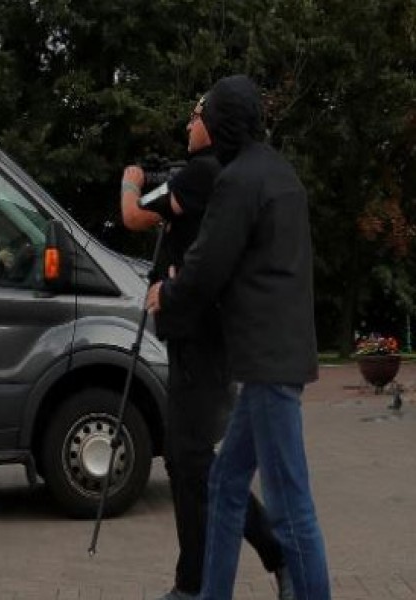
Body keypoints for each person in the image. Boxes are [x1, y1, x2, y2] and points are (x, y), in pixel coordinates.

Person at [145, 75, 331, 600]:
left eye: (206, 114)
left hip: (268, 364)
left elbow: (207, 267)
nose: (198, 122)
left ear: (224, 122)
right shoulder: (280, 173)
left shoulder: (238, 179)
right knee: (225, 483)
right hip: (274, 357)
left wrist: (167, 293)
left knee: (292, 508)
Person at [121, 95, 292, 600]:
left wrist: (131, 178)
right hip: (200, 336)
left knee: (190, 460)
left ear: (214, 127)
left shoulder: (201, 174)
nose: (189, 122)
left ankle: (205, 580)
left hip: (198, 337)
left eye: (196, 116)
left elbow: (133, 216)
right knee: (193, 462)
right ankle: (227, 568)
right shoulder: (213, 176)